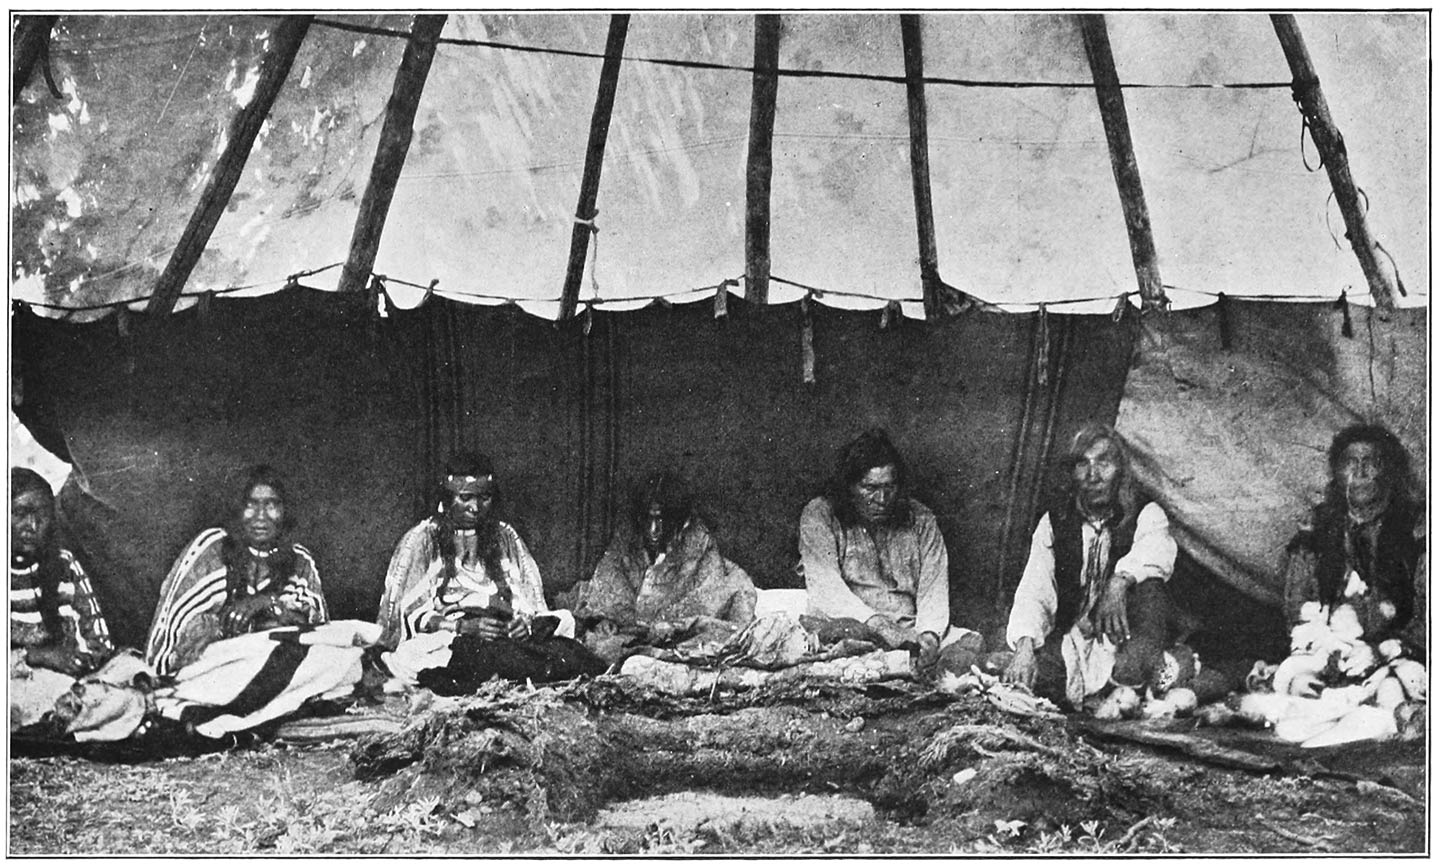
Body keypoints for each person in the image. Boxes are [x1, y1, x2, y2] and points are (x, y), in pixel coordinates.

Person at [999, 423, 1208, 710]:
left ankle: (1153, 667)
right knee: (1029, 677)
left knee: (1148, 589)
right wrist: (1023, 647)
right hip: (1078, 637)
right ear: (1073, 473)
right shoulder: (1055, 522)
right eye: (1083, 464)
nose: (1093, 476)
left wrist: (1119, 582)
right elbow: (1035, 588)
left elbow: (1157, 551)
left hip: (1129, 632)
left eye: (1104, 463)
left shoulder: (1145, 513)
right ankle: (1125, 683)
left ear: (1120, 470)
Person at [377, 451, 597, 691]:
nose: (475, 507)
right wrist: (463, 627)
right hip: (450, 637)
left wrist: (523, 624)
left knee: (569, 648)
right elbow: (410, 614)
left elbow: (528, 600)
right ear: (448, 498)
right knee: (438, 659)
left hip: (504, 636)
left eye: (485, 498)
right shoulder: (423, 539)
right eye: (465, 498)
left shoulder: (505, 536)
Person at [799, 428, 982, 677]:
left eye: (890, 487)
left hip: (909, 630)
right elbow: (826, 588)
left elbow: (934, 589)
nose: (882, 498)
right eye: (869, 488)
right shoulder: (820, 515)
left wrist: (928, 636)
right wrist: (878, 624)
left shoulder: (922, 520)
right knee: (850, 644)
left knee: (969, 646)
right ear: (848, 486)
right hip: (850, 625)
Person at [145, 465, 328, 677]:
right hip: (212, 674)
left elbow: (321, 631)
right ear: (237, 509)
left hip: (277, 674)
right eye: (250, 505)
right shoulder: (212, 549)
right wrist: (154, 679)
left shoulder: (300, 560)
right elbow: (170, 626)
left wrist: (268, 603)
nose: (261, 516)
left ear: (285, 511)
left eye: (271, 505)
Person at [564, 471, 757, 660]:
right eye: (649, 519)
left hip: (675, 639)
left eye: (661, 520)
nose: (654, 530)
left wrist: (664, 628)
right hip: (631, 637)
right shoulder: (627, 543)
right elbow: (608, 587)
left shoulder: (698, 548)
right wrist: (605, 620)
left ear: (677, 521)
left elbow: (707, 602)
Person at [1281, 423, 1425, 661]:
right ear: (1336, 472)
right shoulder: (1317, 527)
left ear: (1389, 470)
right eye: (1350, 462)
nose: (1360, 472)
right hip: (1330, 651)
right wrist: (1325, 648)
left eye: (1371, 462)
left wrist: (1386, 651)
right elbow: (1297, 606)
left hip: (1398, 654)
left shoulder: (1416, 527)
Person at [11, 468, 115, 729]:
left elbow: (99, 641)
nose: (32, 527)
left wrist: (81, 660)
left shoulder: (64, 565)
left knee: (125, 678)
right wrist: (36, 656)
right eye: (20, 514)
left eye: (42, 516)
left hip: (66, 684)